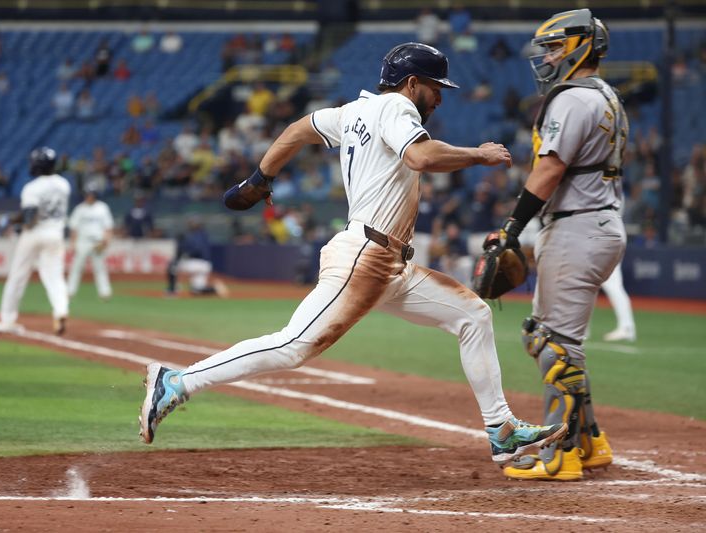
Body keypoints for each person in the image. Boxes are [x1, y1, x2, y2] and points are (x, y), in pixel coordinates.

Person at [139, 42, 566, 469]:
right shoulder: (398, 110)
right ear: (411, 83)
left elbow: (297, 130)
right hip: (366, 257)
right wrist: (479, 154)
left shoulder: (353, 112)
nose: (439, 96)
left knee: (474, 316)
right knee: (293, 346)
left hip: (392, 264)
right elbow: (419, 156)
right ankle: (177, 381)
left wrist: (259, 179)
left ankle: (502, 430)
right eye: (436, 87)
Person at [483, 10, 626, 481]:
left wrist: (511, 228)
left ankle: (559, 453)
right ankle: (590, 441)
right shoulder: (606, 96)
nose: (546, 57)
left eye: (554, 46)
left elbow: (549, 169)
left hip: (577, 227)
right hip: (596, 223)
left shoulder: (572, 99)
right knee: (552, 339)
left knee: (553, 344)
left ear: (581, 45)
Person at [0, 148, 71, 336]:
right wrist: (16, 219)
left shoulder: (32, 187)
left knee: (18, 276)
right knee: (54, 276)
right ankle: (60, 311)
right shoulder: (64, 184)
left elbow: (30, 218)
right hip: (56, 234)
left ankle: (8, 319)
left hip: (34, 234)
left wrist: (13, 221)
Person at [67, 183, 114, 300]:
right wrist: (72, 244)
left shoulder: (102, 208)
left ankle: (105, 292)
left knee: (100, 268)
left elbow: (108, 227)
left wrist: (106, 240)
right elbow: (74, 228)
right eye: (88, 194)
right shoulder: (79, 209)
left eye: (91, 194)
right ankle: (69, 291)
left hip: (97, 241)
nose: (89, 196)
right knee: (76, 267)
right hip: (82, 241)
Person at [166, 217, 227, 297]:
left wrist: (181, 244)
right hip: (205, 265)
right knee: (196, 291)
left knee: (172, 267)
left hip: (195, 263)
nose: (191, 225)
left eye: (193, 223)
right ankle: (215, 289)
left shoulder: (191, 235)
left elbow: (192, 249)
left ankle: (172, 291)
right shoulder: (203, 234)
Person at [601, 260, 636, 342]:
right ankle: (626, 327)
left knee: (613, 285)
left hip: (605, 249)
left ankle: (626, 327)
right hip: (604, 249)